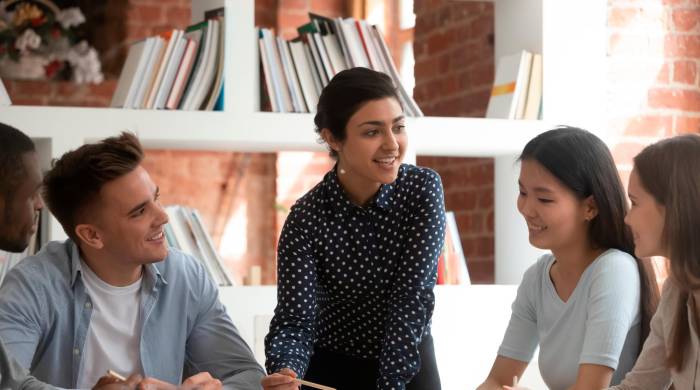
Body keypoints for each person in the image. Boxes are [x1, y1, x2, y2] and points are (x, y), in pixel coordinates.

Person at [0, 132, 265, 389]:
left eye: (156, 198)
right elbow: (9, 383)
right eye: (139, 211)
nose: (163, 217)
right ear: (92, 235)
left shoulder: (186, 277)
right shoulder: (32, 285)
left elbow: (247, 374)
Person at [262, 67, 446, 390]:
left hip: (408, 362)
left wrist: (389, 385)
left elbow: (411, 300)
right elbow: (296, 319)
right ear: (333, 138)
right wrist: (287, 369)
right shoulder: (305, 219)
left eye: (398, 127)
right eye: (372, 132)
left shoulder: (423, 190)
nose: (392, 144)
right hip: (331, 367)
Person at [478, 127, 657, 390]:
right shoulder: (537, 278)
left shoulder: (614, 271)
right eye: (523, 192)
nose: (526, 209)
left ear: (590, 207)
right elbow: (496, 380)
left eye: (544, 199)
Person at [609, 134, 700, 389]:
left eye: (635, 203)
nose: (627, 219)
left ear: (674, 206)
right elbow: (638, 387)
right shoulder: (676, 290)